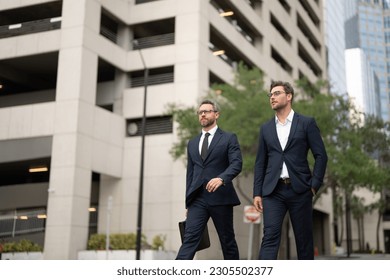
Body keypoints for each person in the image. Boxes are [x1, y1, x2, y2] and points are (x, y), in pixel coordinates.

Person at [253, 81, 328, 260]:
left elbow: (321, 156)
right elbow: (260, 163)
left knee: (303, 240)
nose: (272, 97)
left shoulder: (307, 123)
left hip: (300, 190)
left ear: (289, 96)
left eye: (276, 93)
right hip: (273, 192)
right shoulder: (266, 128)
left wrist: (314, 185)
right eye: (270, 94)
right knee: (270, 237)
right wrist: (257, 193)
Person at [176, 100, 242, 260]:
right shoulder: (192, 143)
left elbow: (237, 163)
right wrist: (188, 202)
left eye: (207, 111)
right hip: (198, 199)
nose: (203, 114)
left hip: (221, 197)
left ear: (216, 114)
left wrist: (221, 178)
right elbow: (190, 174)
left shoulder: (228, 138)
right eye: (200, 112)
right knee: (189, 239)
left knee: (227, 241)